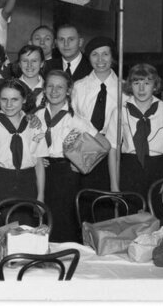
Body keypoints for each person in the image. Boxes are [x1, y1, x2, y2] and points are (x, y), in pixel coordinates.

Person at [106, 64, 163, 223]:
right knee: (131, 223)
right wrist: (114, 185)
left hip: (160, 170)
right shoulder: (120, 112)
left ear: (155, 85)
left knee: (162, 221)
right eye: (136, 83)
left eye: (147, 83)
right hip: (130, 171)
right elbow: (112, 150)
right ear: (130, 86)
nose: (141, 89)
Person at [36, 70, 99, 242]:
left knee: (65, 222)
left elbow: (104, 144)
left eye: (60, 87)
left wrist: (81, 163)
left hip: (66, 175)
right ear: (44, 89)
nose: (54, 91)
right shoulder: (35, 116)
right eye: (50, 86)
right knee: (42, 218)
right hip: (42, 172)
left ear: (69, 91)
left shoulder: (76, 119)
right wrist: (37, 158)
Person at [0, 79, 47, 226]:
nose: (9, 105)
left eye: (14, 99)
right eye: (4, 99)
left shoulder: (34, 124)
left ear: (24, 99)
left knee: (28, 233)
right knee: (1, 234)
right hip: (1, 183)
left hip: (28, 184)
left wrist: (40, 196)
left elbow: (39, 164)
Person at [72, 37, 119, 192]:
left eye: (105, 54)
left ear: (112, 57)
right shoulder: (79, 87)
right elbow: (71, 122)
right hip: (84, 151)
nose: (100, 60)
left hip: (114, 153)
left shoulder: (124, 89)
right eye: (94, 54)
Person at [13, 44, 45, 112]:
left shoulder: (49, 88)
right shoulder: (11, 88)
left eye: (34, 61)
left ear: (42, 63)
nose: (29, 65)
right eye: (25, 61)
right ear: (19, 64)